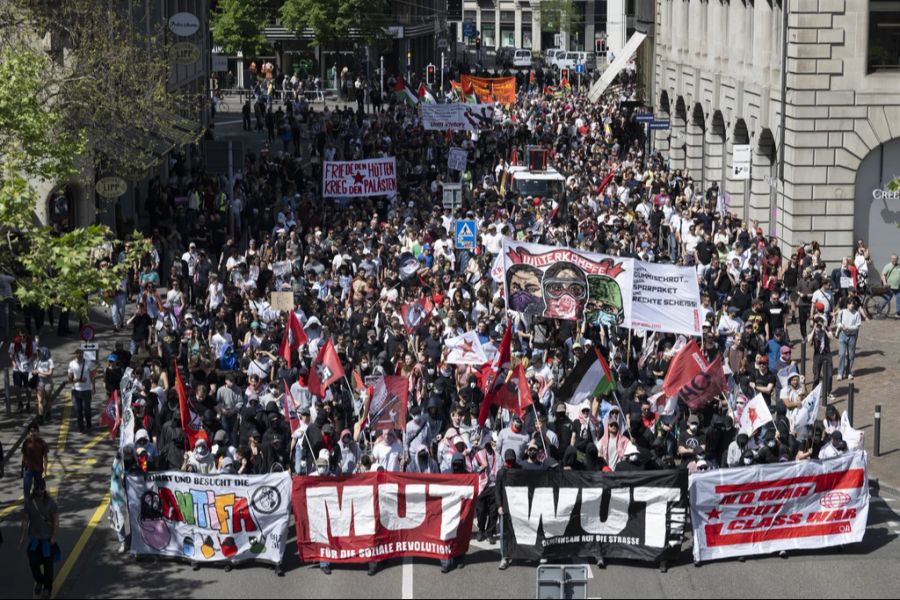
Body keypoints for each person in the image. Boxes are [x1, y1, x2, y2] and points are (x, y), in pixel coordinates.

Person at [19, 478, 58, 599]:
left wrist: (53, 536)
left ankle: (47, 588)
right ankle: (40, 581)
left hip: (47, 540)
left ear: (44, 488)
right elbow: (25, 520)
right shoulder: (29, 502)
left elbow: (56, 521)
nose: (40, 490)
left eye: (42, 488)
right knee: (33, 564)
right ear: (34, 488)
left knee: (48, 565)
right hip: (34, 539)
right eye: (37, 488)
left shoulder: (50, 502)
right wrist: (22, 537)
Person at [67, 348, 95, 433]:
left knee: (87, 409)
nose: (79, 355)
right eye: (77, 354)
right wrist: (76, 379)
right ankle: (81, 427)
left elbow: (92, 376)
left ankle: (88, 422)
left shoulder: (88, 363)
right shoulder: (71, 364)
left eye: (80, 354)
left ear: (83, 354)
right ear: (75, 354)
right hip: (75, 390)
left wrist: (93, 387)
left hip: (86, 390)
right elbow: (69, 378)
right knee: (78, 410)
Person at [835, 298, 862, 381]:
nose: (852, 305)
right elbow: (837, 322)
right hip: (843, 335)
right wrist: (841, 326)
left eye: (853, 304)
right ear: (847, 304)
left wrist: (849, 328)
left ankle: (848, 372)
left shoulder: (857, 314)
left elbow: (858, 326)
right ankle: (840, 373)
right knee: (842, 354)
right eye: (850, 304)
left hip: (852, 336)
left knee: (851, 355)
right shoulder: (842, 312)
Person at [21, 422, 49, 499]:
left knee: (40, 490)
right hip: (28, 470)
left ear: (38, 432)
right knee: (26, 491)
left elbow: (45, 458)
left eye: (34, 431)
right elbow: (24, 456)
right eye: (31, 431)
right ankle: (27, 508)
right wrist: (22, 470)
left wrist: (45, 471)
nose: (33, 433)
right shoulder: (26, 443)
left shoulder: (42, 443)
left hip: (39, 470)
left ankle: (41, 507)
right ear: (29, 432)